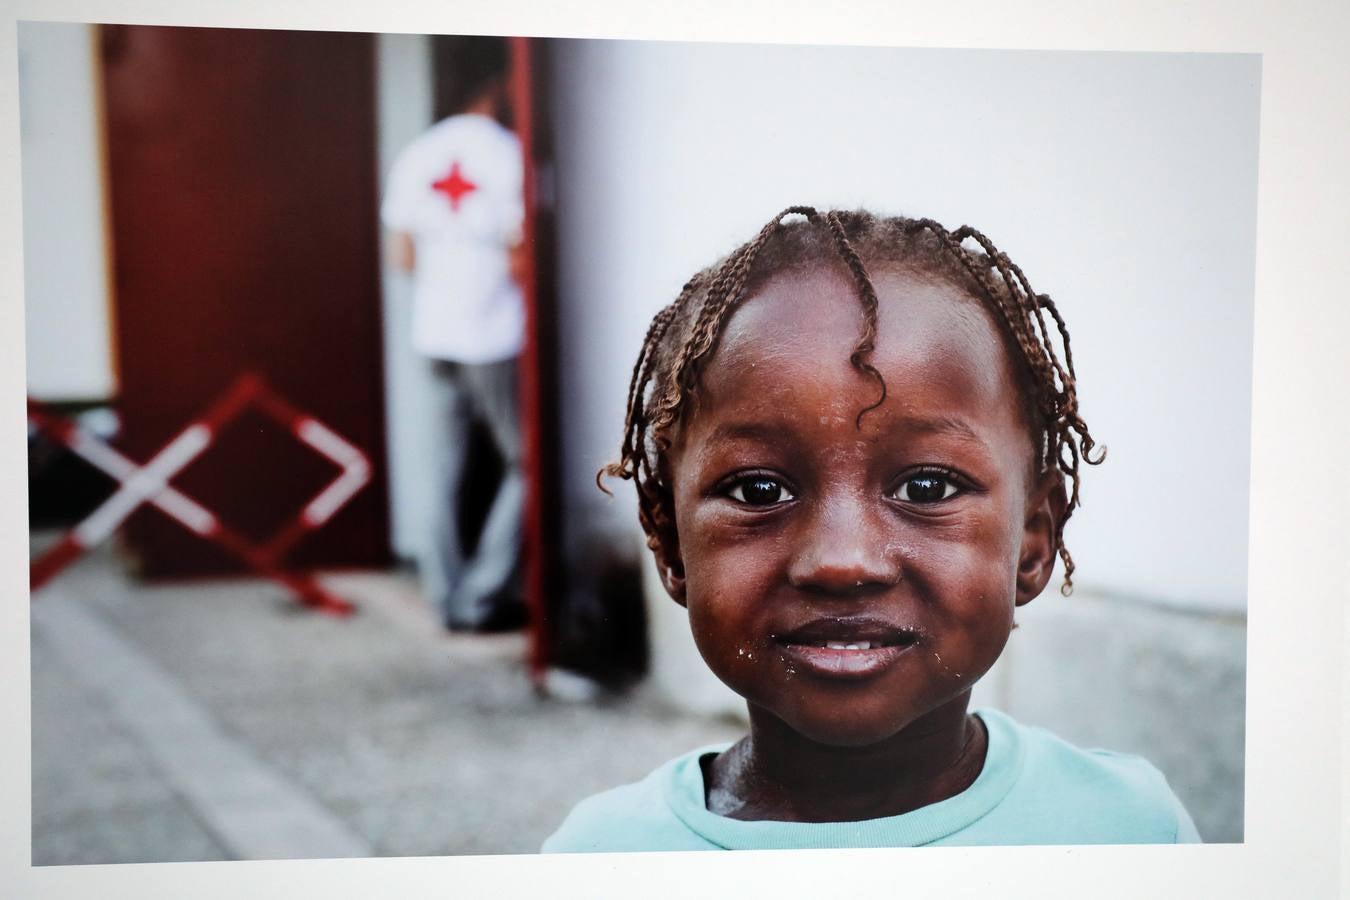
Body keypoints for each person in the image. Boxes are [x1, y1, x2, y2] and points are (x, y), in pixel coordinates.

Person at [541, 206, 1200, 850]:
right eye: (759, 490)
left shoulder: (1127, 833)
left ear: (1033, 540)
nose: (843, 561)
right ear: (672, 541)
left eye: (927, 487)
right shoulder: (603, 859)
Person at [381, 55, 528, 632]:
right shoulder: (508, 154)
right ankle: (483, 595)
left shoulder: (419, 153)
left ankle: (444, 595)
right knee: (529, 464)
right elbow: (522, 258)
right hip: (493, 333)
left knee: (442, 467)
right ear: (495, 90)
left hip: (433, 331)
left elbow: (402, 256)